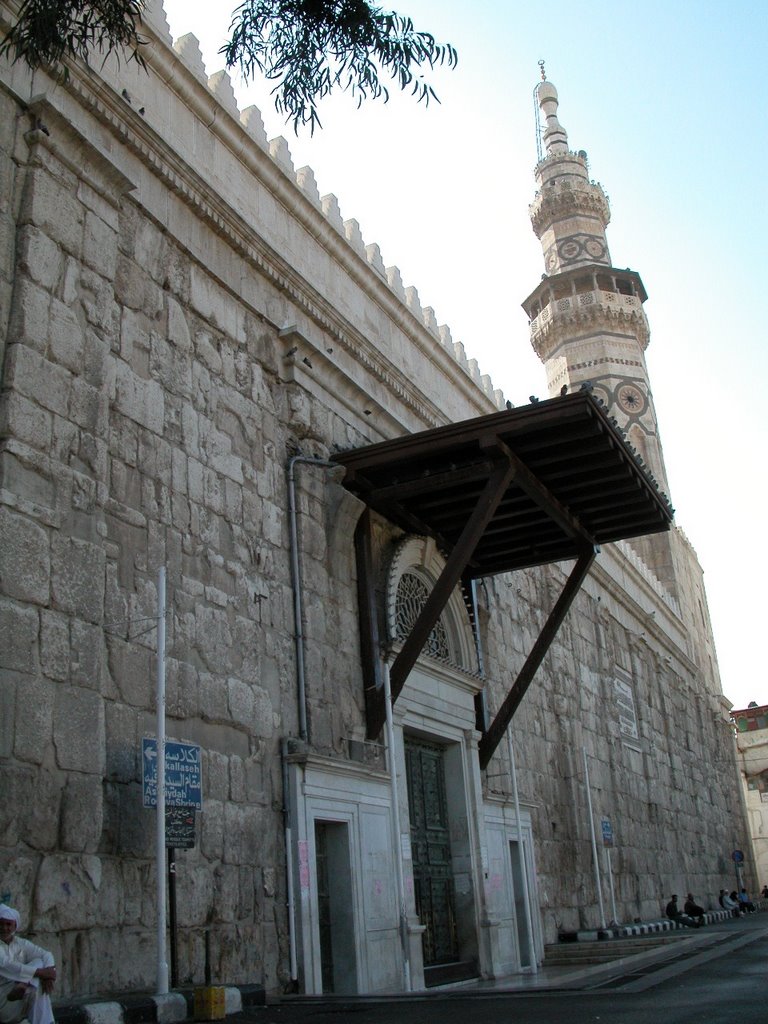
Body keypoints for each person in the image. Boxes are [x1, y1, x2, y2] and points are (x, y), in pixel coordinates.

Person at [0, 905, 56, 1024]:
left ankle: (23, 983)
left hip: (20, 997)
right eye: (1, 924)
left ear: (15, 926)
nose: (4, 928)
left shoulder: (20, 943)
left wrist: (49, 973)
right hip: (3, 1002)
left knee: (38, 971)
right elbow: (7, 965)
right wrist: (43, 973)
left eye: (8, 924)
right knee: (37, 979)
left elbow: (46, 955)